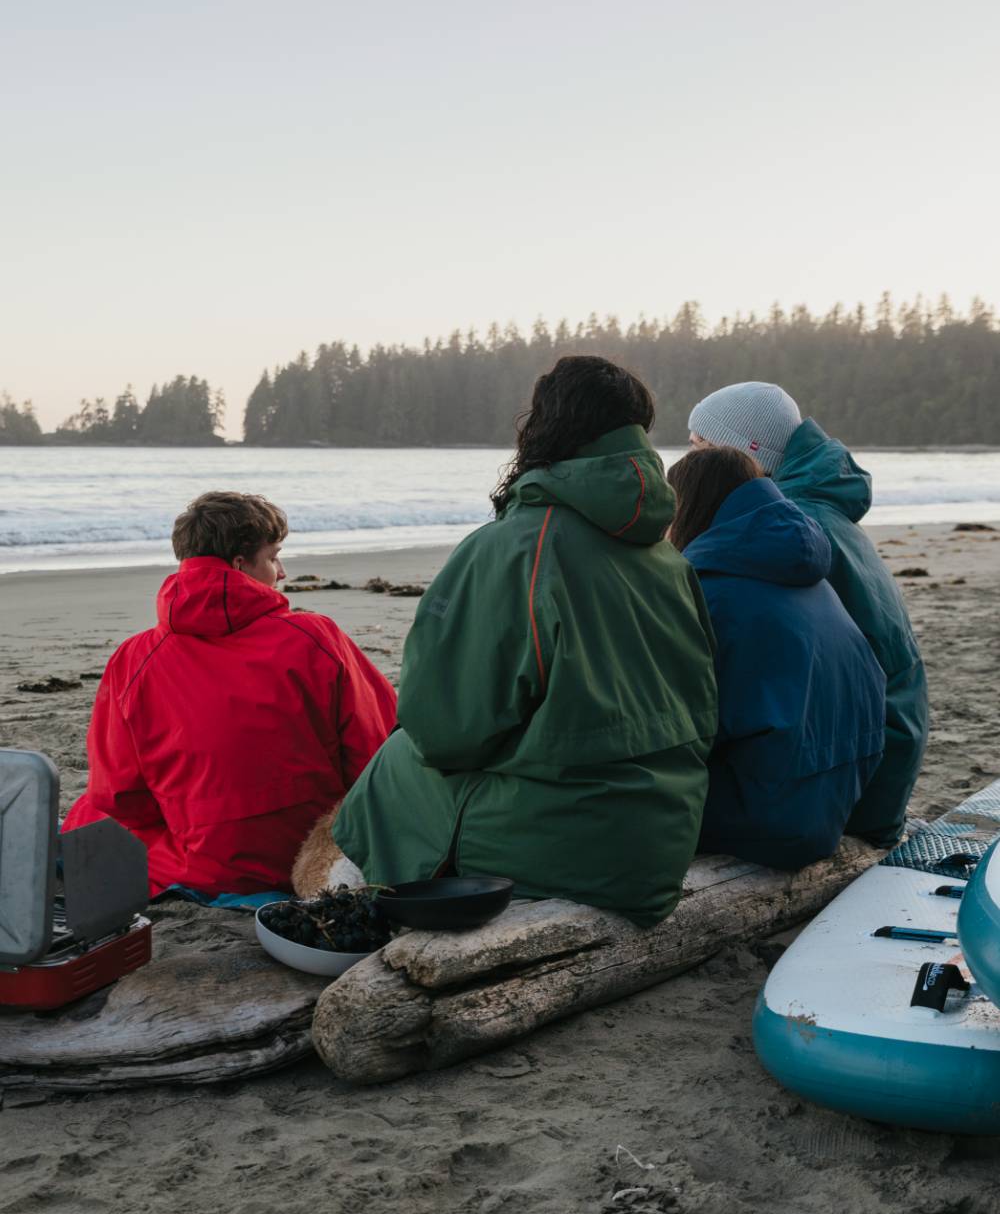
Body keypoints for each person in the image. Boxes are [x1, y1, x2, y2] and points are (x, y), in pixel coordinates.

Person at [332, 356, 719, 927]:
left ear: (542, 429)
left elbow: (447, 732)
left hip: (568, 851)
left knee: (394, 761)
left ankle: (369, 898)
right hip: (661, 833)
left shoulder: (515, 547)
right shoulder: (666, 556)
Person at [63, 491, 396, 897]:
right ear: (240, 566)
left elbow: (120, 794)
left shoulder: (134, 657)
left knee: (87, 814)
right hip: (312, 850)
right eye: (273, 557)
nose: (283, 571)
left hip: (204, 859)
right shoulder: (316, 637)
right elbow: (378, 752)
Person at [686, 381, 928, 847]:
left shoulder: (790, 531)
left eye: (700, 446)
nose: (688, 461)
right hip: (887, 750)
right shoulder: (812, 519)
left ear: (739, 455)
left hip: (863, 779)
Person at [667, 447, 886, 868]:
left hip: (769, 819)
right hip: (834, 803)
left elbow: (684, 731)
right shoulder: (807, 574)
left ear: (688, 506)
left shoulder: (711, 593)